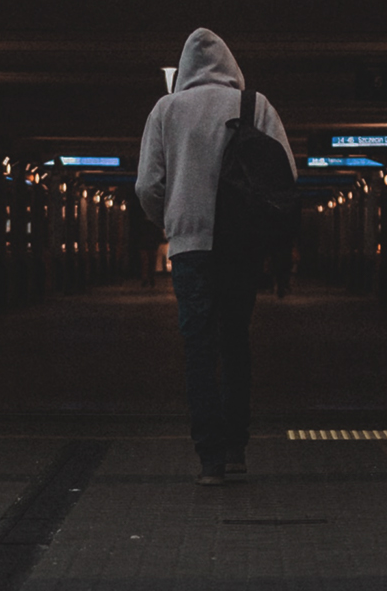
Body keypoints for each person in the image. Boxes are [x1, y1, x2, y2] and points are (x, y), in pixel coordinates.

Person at [136, 28, 297, 486]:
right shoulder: (255, 105)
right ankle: (235, 449)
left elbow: (147, 185)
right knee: (236, 342)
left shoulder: (166, 110)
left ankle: (208, 458)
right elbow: (284, 174)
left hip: (190, 248)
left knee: (199, 348)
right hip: (240, 244)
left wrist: (170, 221)